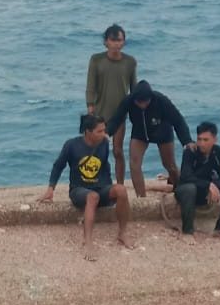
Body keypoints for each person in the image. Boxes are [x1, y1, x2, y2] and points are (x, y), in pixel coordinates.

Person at [38, 114, 133, 260]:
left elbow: (104, 166)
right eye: (99, 131)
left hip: (101, 187)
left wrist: (109, 188)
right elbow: (58, 166)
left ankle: (122, 233)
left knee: (121, 190)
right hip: (79, 190)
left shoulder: (104, 144)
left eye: (104, 130)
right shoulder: (71, 145)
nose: (104, 134)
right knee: (92, 197)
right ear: (88, 131)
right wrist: (51, 189)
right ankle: (88, 241)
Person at [106, 80, 194, 198]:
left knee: (169, 165)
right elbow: (116, 119)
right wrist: (107, 133)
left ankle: (179, 188)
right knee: (134, 163)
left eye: (145, 102)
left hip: (162, 131)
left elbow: (178, 121)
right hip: (140, 132)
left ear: (150, 98)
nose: (142, 105)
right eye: (139, 102)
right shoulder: (128, 100)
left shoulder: (161, 100)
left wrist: (187, 140)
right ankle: (141, 197)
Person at [85, 24, 137, 185]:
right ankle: (96, 182)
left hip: (120, 114)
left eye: (119, 40)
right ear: (106, 42)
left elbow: (134, 89)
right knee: (97, 150)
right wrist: (90, 109)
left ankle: (120, 184)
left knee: (117, 150)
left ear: (123, 42)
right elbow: (91, 86)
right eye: (112, 40)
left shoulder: (130, 62)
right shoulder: (96, 60)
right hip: (99, 114)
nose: (116, 44)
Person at [174, 121, 220, 241]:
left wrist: (213, 186)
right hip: (187, 190)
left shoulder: (218, 152)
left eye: (205, 140)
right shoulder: (190, 151)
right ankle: (187, 232)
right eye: (199, 139)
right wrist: (207, 185)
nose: (201, 143)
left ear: (215, 139)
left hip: (207, 191)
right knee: (189, 189)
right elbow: (186, 177)